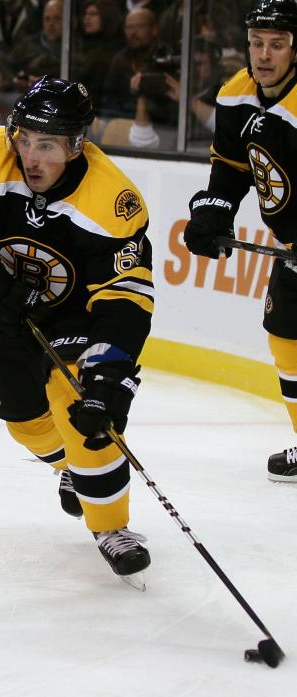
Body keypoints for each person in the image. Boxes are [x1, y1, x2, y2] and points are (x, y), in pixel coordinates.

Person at [0, 76, 155, 580]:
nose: (31, 156)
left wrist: (109, 372)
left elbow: (124, 298)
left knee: (79, 402)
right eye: (24, 139)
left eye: (47, 145)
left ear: (77, 145)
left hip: (74, 316)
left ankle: (110, 526)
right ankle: (69, 469)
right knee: (25, 424)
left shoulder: (113, 201)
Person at [181, 0, 297, 483]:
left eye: (277, 45)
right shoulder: (235, 94)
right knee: (285, 337)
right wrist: (215, 210)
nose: (264, 55)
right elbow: (230, 169)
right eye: (256, 43)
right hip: (292, 244)